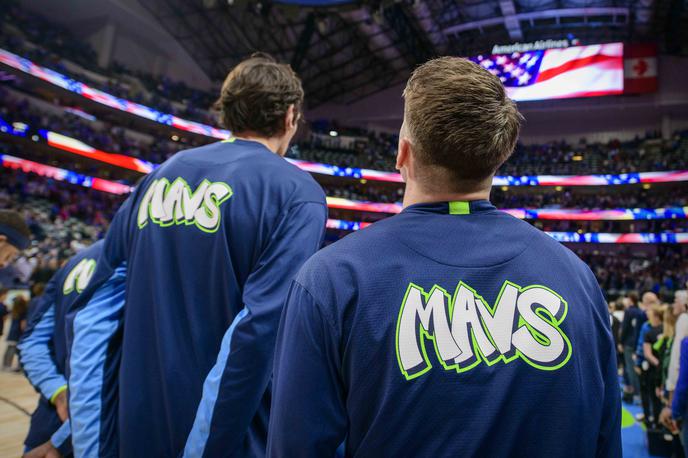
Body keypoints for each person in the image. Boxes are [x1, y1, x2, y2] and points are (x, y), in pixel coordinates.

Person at [267, 57, 621, 457]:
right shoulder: (577, 278)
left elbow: (294, 446)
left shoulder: (331, 279)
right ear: (499, 155)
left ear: (403, 154)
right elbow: (604, 440)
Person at [68, 53, 327, 457]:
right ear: (291, 116)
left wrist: (89, 447)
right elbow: (258, 331)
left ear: (227, 110)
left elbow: (94, 316)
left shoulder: (157, 176)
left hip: (134, 430)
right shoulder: (297, 193)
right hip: (226, 440)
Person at [18, 240, 107, 458]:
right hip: (99, 433)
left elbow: (31, 341)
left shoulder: (72, 264)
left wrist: (58, 391)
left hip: (51, 424)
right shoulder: (143, 261)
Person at [620, 292, 645, 402]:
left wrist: (620, 342)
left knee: (631, 369)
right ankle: (637, 392)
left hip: (628, 343)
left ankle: (635, 392)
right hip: (636, 343)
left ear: (630, 299)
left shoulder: (629, 311)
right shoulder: (640, 311)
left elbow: (624, 328)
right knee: (634, 369)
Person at [3, 295, 28, 370]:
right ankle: (19, 366)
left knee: (10, 349)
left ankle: (6, 365)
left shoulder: (14, 311)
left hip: (12, 333)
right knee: (19, 350)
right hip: (19, 333)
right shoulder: (23, 313)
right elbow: (23, 325)